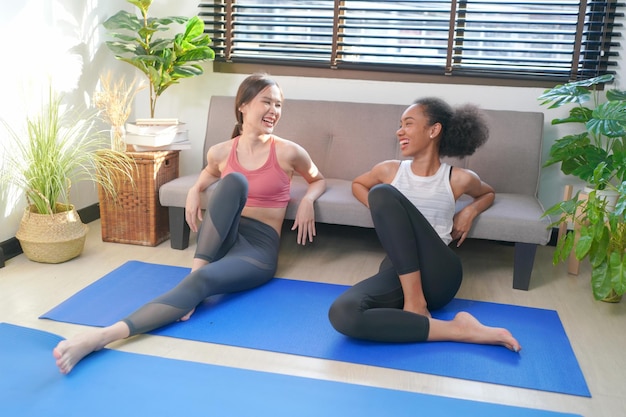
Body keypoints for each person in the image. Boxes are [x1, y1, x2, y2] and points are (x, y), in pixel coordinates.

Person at [53, 73, 327, 374]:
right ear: (244, 106)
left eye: (279, 104)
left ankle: (102, 336)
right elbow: (211, 172)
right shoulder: (221, 151)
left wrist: (308, 201)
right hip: (224, 233)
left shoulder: (289, 151)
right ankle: (194, 277)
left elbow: (317, 179)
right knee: (233, 181)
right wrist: (196, 189)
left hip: (257, 249)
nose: (274, 110)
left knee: (203, 281)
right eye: (267, 102)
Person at [328, 97, 520, 352]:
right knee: (342, 313)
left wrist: (470, 211)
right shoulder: (389, 170)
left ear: (434, 130)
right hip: (398, 267)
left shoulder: (458, 178)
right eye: (400, 125)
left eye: (408, 124)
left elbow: (488, 193)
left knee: (383, 193)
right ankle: (458, 329)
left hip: (439, 273)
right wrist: (385, 213)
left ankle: (415, 301)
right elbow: (358, 184)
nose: (399, 131)